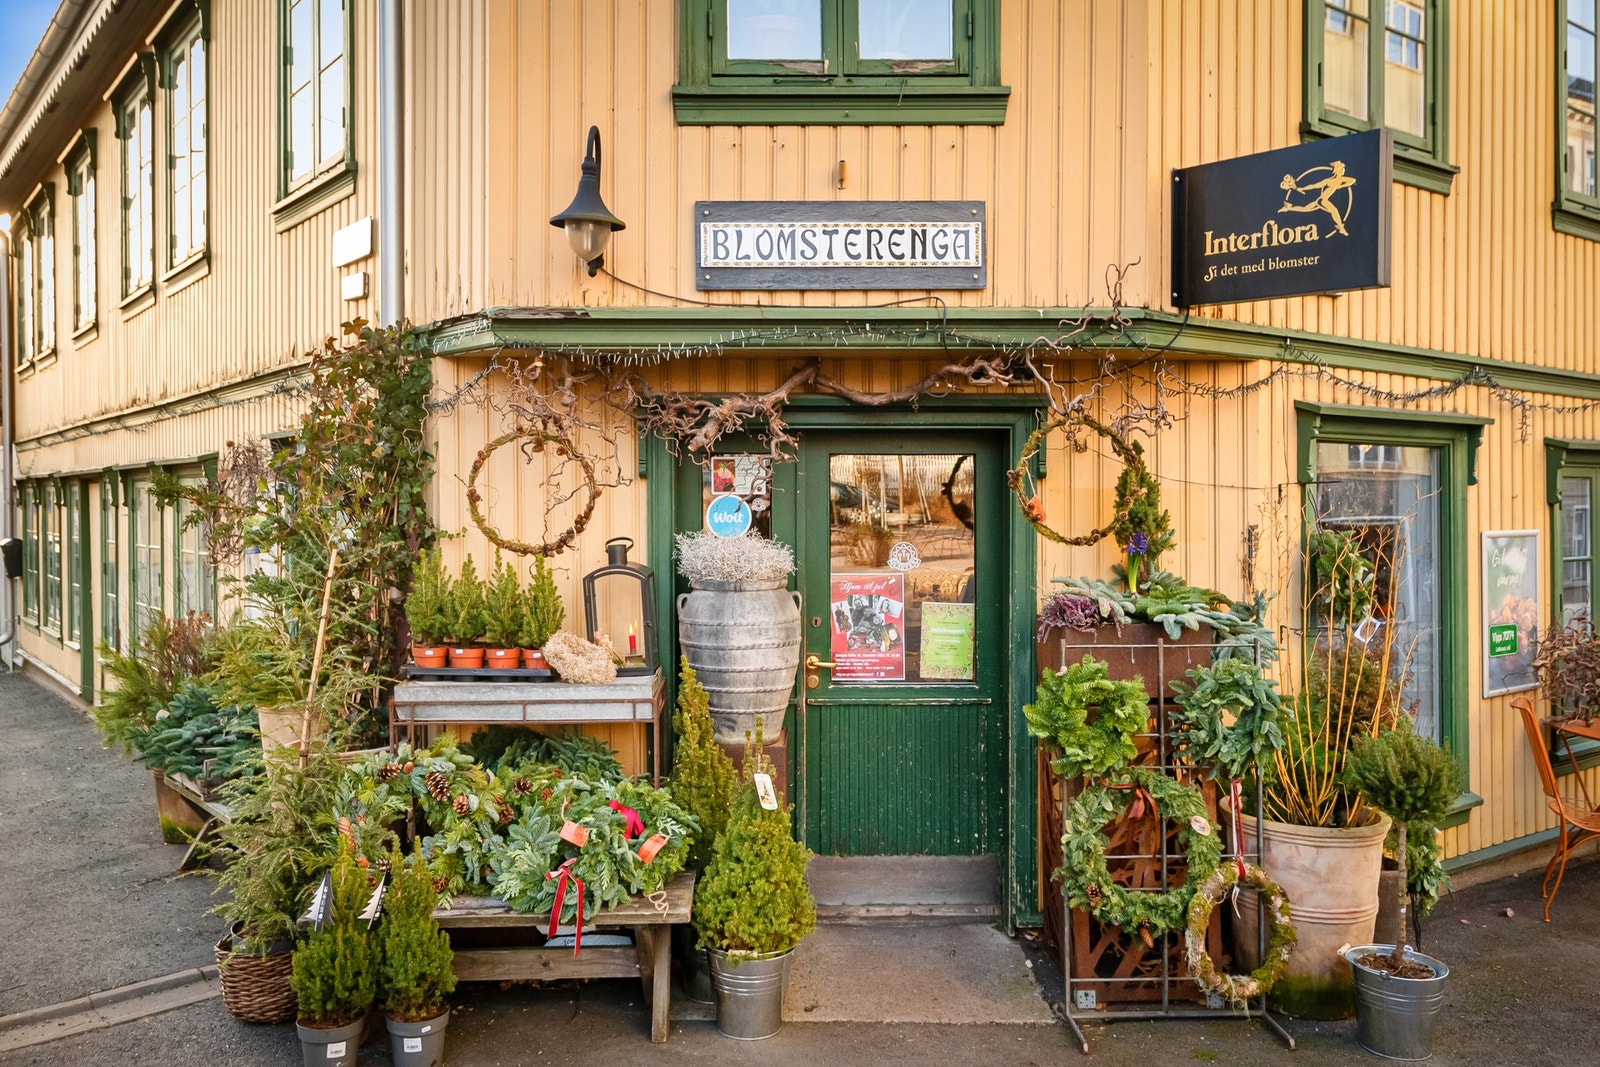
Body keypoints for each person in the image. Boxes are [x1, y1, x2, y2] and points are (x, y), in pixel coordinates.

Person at [1279, 159, 1356, 236]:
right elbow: (1314, 185)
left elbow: (1352, 180)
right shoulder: (1328, 181)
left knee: (1305, 208)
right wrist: (1303, 188)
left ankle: (1288, 208)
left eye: (1343, 168)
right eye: (1341, 168)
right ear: (1337, 170)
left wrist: (1341, 186)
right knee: (1334, 210)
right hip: (1322, 200)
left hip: (1320, 200)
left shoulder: (1341, 180)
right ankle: (1341, 228)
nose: (1343, 170)